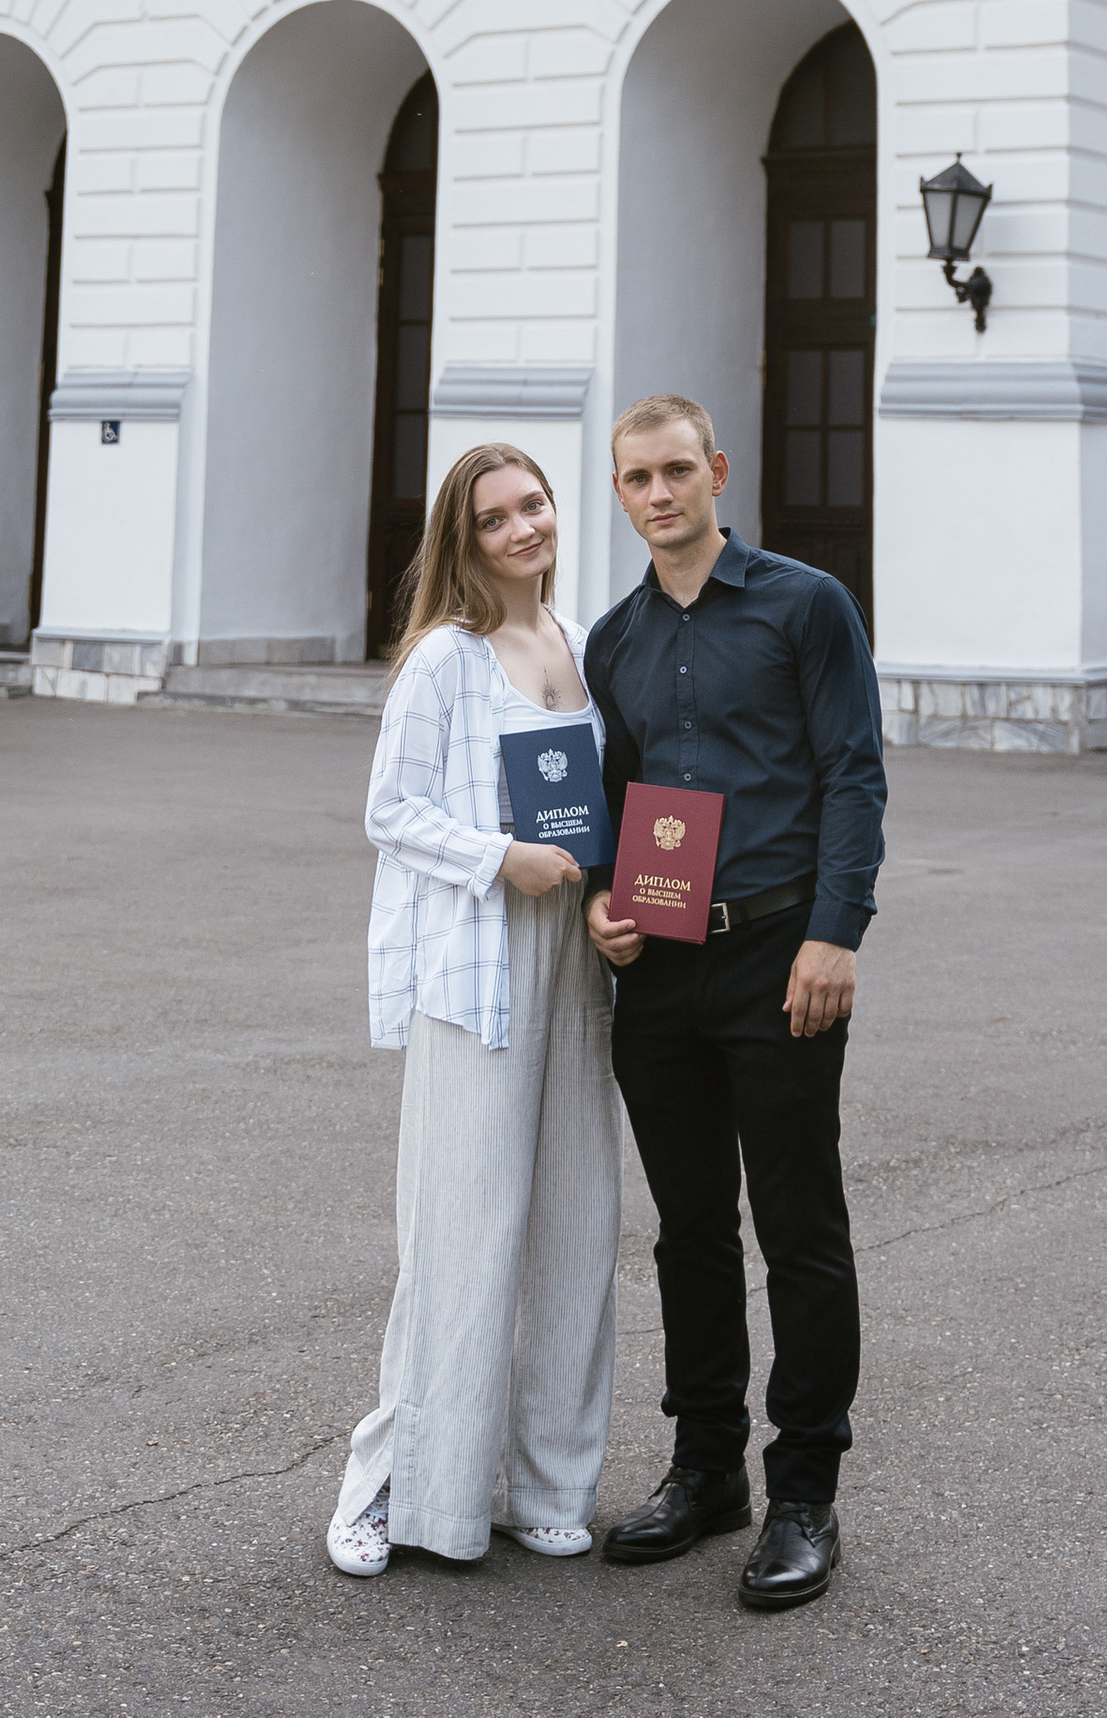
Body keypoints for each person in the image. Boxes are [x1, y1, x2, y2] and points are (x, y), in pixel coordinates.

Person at [583, 392, 886, 1613]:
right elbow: (613, 798)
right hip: (660, 968)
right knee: (691, 1231)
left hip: (778, 957)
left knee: (799, 1228)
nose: (658, 494)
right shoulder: (612, 640)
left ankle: (804, 1492)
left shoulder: (805, 605)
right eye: (635, 478)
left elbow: (852, 774)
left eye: (675, 471)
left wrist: (834, 934)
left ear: (715, 470)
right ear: (619, 493)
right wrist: (599, 901)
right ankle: (707, 1468)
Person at [326, 442, 621, 1578]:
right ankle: (397, 1491)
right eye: (495, 518)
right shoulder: (444, 659)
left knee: (575, 1228)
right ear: (465, 537)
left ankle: (548, 1485)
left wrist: (610, 900)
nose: (522, 528)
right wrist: (502, 858)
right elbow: (389, 811)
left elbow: (604, 812)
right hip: (479, 969)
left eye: (532, 505)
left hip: (576, 966)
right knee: (460, 1235)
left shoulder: (584, 644)